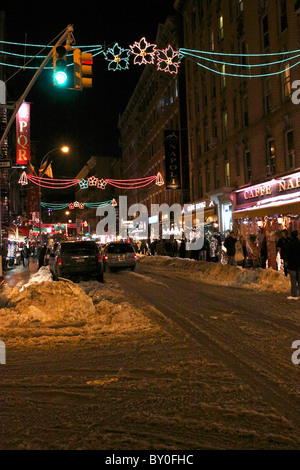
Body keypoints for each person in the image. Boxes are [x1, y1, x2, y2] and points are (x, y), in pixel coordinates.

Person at [286, 230, 300, 300]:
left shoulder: (290, 243)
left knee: (293, 280)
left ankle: (294, 294)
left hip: (292, 264)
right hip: (298, 264)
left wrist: (287, 262)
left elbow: (288, 254)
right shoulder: (298, 242)